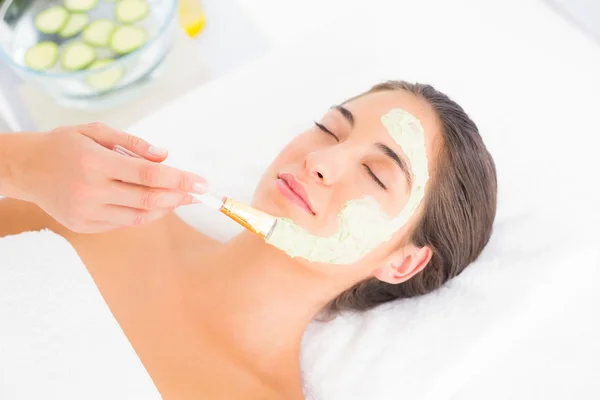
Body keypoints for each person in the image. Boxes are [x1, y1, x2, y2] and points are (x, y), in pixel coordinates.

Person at [0, 80, 497, 399]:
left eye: (374, 173)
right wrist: (22, 164)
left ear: (402, 264)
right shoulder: (104, 210)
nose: (321, 160)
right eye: (328, 130)